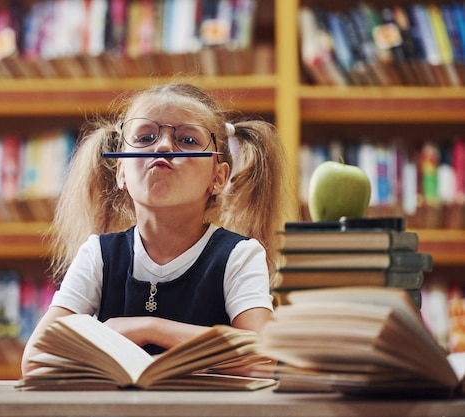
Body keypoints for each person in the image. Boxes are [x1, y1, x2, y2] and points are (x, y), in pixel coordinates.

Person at [21, 82, 295, 376]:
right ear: (122, 172)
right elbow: (36, 358)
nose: (163, 147)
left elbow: (263, 357)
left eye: (188, 140)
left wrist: (148, 328)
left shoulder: (239, 256)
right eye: (145, 137)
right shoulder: (98, 255)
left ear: (218, 177)